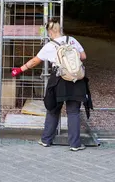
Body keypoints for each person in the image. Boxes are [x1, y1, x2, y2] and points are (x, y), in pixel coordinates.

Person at [11, 17, 89, 151]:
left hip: (58, 80)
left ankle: (46, 140)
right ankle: (75, 144)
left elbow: (35, 61)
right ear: (60, 29)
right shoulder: (72, 40)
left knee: (53, 109)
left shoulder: (49, 46)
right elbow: (83, 57)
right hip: (76, 80)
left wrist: (19, 69)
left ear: (50, 32)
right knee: (73, 112)